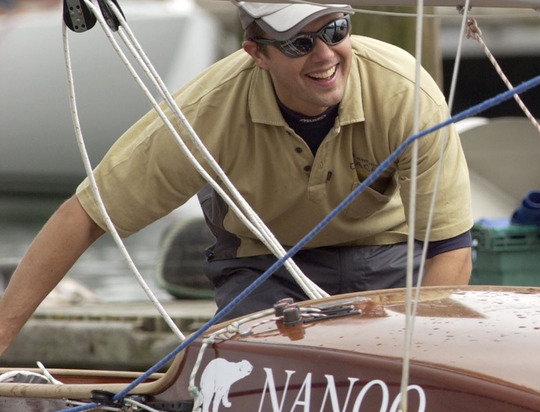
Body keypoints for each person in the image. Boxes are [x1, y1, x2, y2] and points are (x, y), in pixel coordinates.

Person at [0, 2, 472, 355]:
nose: (326, 54)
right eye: (299, 43)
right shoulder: (205, 111)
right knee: (243, 384)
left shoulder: (407, 93)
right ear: (256, 53)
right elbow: (87, 213)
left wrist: (420, 357)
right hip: (262, 269)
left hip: (390, 261)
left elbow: (451, 249)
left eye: (335, 29)